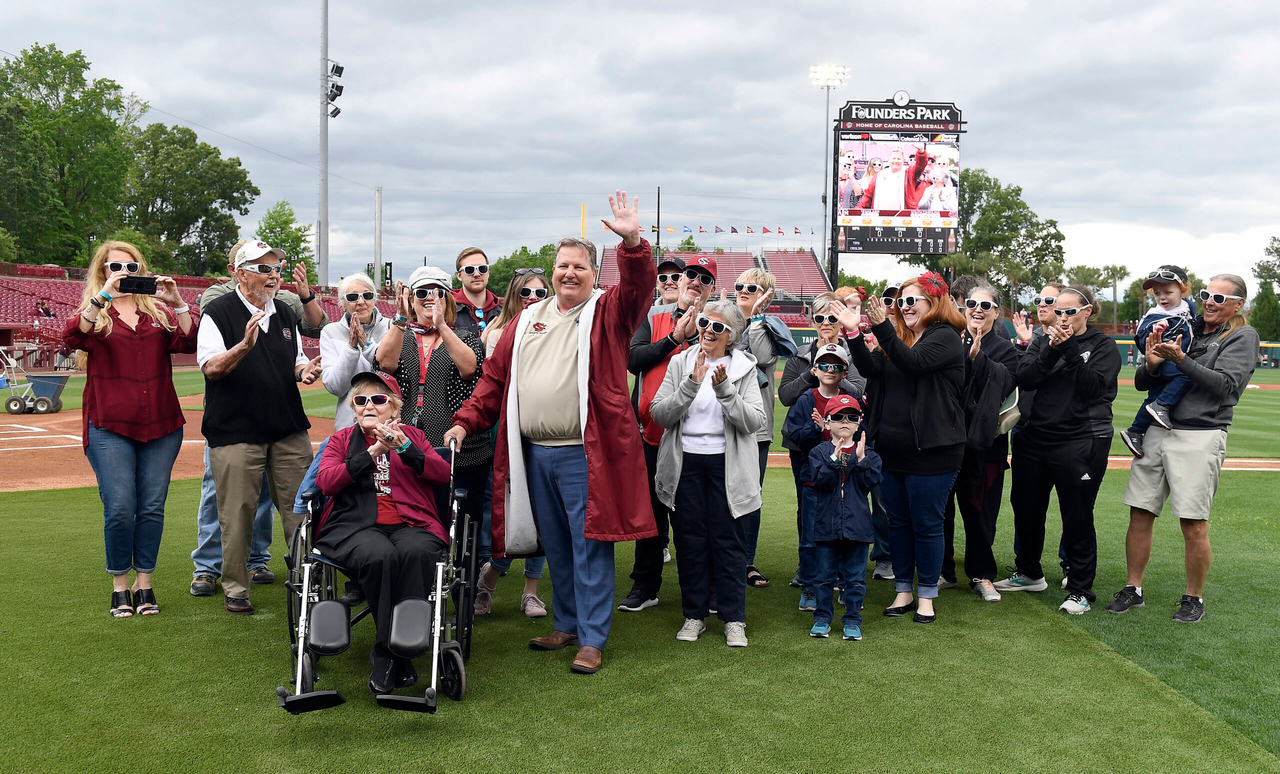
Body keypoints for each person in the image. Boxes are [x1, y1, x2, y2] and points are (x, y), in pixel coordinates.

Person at [446, 191, 657, 675]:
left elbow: (639, 287)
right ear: (553, 268)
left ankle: (593, 638)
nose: (569, 274)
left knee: (590, 544)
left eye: (579, 267)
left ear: (592, 273)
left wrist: (632, 243)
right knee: (557, 544)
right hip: (534, 454)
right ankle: (566, 623)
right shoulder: (527, 320)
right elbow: (494, 380)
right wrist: (464, 420)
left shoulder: (608, 311)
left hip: (586, 453)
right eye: (563, 266)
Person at [1107, 275, 1257, 623]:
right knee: (1140, 511)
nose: (1210, 301)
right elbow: (1145, 382)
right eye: (1207, 294)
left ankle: (1193, 598)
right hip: (1158, 429)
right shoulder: (1186, 325)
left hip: (1200, 433)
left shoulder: (1241, 335)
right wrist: (1154, 361)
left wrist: (1182, 359)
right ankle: (1134, 589)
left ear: (1238, 304)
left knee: (1193, 523)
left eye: (1220, 297)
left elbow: (1225, 386)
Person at [63, 241, 197, 618]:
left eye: (130, 266)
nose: (123, 272)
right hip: (109, 423)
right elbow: (72, 336)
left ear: (142, 269)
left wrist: (177, 301)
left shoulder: (156, 313)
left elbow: (189, 340)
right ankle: (120, 586)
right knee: (121, 507)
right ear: (102, 271)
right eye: (114, 266)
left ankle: (145, 585)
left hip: (161, 423)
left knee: (152, 507)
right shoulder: (96, 312)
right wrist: (105, 295)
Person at [189, 241, 328, 597]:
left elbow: (294, 358)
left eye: (276, 268)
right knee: (237, 514)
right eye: (264, 269)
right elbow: (211, 368)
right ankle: (236, 587)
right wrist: (243, 347)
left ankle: (306, 580)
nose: (274, 275)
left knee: (301, 508)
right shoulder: (217, 312)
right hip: (236, 429)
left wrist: (303, 372)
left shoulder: (282, 311)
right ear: (240, 273)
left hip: (286, 426)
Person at [315, 371, 452, 694]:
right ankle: (394, 651)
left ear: (394, 409)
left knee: (416, 552)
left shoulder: (413, 437)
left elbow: (442, 474)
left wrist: (405, 448)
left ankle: (393, 650)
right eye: (361, 401)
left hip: (412, 523)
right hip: (355, 527)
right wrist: (373, 452)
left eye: (378, 399)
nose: (369, 406)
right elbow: (327, 482)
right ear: (354, 409)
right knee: (380, 555)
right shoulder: (339, 441)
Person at [847, 273, 966, 624]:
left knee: (927, 524)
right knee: (897, 522)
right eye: (901, 301)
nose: (904, 306)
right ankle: (903, 590)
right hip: (892, 450)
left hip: (933, 450)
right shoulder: (897, 337)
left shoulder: (944, 337)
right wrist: (854, 331)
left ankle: (926, 594)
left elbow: (912, 364)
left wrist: (882, 327)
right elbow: (870, 368)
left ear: (935, 304)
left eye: (912, 300)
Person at [994, 285, 1119, 615]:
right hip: (1035, 438)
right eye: (1058, 312)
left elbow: (1094, 388)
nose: (1062, 318)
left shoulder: (1103, 345)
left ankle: (1080, 589)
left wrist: (1070, 349)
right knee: (1026, 507)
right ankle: (1029, 572)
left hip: (1081, 440)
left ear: (1086, 312)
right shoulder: (1042, 339)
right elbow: (1027, 377)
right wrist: (1052, 347)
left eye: (1069, 312)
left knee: (1077, 514)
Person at [649, 300, 766, 647]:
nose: (707, 331)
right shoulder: (679, 362)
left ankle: (734, 619)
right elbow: (659, 413)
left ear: (730, 336)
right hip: (685, 463)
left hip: (726, 466)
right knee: (690, 542)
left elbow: (754, 421)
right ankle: (694, 616)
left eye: (717, 328)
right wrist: (690, 384)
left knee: (729, 543)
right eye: (703, 323)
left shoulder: (744, 367)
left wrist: (724, 388)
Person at [376, 266, 489, 610]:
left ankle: (465, 593)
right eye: (421, 292)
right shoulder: (403, 335)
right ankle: (415, 588)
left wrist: (440, 325)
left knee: (464, 520)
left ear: (449, 298)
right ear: (410, 299)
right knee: (417, 519)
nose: (429, 298)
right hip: (410, 446)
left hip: (460, 449)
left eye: (436, 292)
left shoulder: (465, 335)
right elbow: (384, 362)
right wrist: (399, 318)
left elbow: (470, 366)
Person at [620, 255, 717, 613]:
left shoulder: (716, 321)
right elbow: (633, 360)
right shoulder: (655, 314)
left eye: (704, 279)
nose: (695, 281)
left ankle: (702, 589)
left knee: (695, 518)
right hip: (650, 432)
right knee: (650, 515)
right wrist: (675, 339)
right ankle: (645, 585)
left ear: (710, 288)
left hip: (696, 436)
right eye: (691, 274)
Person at [778, 293, 867, 590]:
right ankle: (809, 571)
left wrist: (833, 369)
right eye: (820, 318)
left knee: (841, 504)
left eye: (832, 318)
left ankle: (838, 572)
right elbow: (786, 395)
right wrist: (815, 369)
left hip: (842, 441)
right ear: (811, 321)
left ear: (841, 322)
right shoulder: (799, 356)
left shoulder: (850, 356)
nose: (826, 324)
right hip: (804, 445)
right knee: (809, 506)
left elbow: (858, 391)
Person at [476, 267, 550, 617]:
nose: (533, 300)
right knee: (507, 506)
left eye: (540, 294)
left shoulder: (561, 326)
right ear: (514, 297)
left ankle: (531, 591)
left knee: (543, 509)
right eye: (526, 294)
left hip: (545, 428)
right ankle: (490, 577)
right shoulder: (498, 332)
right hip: (509, 428)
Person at [940, 282, 1020, 601]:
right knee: (941, 511)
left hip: (986, 448)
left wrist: (978, 358)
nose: (977, 310)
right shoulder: (948, 340)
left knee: (980, 514)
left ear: (995, 313)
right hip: (946, 442)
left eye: (985, 306)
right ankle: (943, 570)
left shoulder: (1004, 348)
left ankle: (981, 574)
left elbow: (1007, 381)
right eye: (971, 304)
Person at [783, 343, 862, 612]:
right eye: (825, 365)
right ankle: (808, 586)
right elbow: (796, 436)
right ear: (814, 369)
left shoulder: (851, 402)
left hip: (844, 482)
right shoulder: (806, 399)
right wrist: (818, 430)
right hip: (814, 480)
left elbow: (860, 436)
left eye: (837, 366)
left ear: (845, 372)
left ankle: (839, 583)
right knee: (811, 537)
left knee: (841, 534)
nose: (830, 370)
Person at [805, 395, 882, 641]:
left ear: (860, 422)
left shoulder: (869, 454)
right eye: (838, 417)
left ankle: (852, 620)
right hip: (826, 526)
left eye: (851, 417)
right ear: (827, 424)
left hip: (858, 527)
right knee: (824, 577)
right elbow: (820, 482)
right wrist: (834, 460)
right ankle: (822, 618)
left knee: (856, 579)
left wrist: (860, 460)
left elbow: (870, 483)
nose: (845, 422)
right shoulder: (819, 452)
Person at [733, 268, 782, 588]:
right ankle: (724, 558)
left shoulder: (767, 326)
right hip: (719, 423)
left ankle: (746, 562)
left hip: (754, 426)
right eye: (740, 286)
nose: (744, 291)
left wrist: (754, 319)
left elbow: (761, 357)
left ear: (766, 296)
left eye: (752, 288)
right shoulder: (721, 317)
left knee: (750, 496)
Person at [1120, 265, 1196, 457]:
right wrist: (1157, 329)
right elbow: (1143, 334)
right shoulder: (1156, 315)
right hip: (1166, 358)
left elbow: (1191, 312)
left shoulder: (1186, 308)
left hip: (1171, 359)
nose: (1162, 297)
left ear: (1183, 290)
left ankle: (1135, 431)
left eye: (1168, 292)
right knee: (1189, 374)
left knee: (1153, 396)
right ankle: (1162, 405)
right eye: (1157, 293)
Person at [321, 272, 393, 431]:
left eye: (367, 295)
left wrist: (367, 347)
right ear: (343, 303)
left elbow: (395, 375)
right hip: (348, 426)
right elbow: (335, 387)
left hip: (389, 424)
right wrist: (351, 349)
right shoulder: (330, 332)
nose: (361, 302)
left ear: (375, 299)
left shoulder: (392, 328)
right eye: (353, 297)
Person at [857, 147, 929, 211]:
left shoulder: (908, 174)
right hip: (880, 218)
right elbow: (867, 196)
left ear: (903, 161)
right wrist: (858, 209)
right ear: (889, 160)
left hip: (903, 219)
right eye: (894, 158)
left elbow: (920, 166)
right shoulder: (879, 176)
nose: (896, 161)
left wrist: (921, 152)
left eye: (899, 159)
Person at [452, 247, 501, 335]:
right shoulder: (448, 310)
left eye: (482, 269)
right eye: (469, 270)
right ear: (459, 276)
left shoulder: (503, 312)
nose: (477, 274)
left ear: (488, 273)